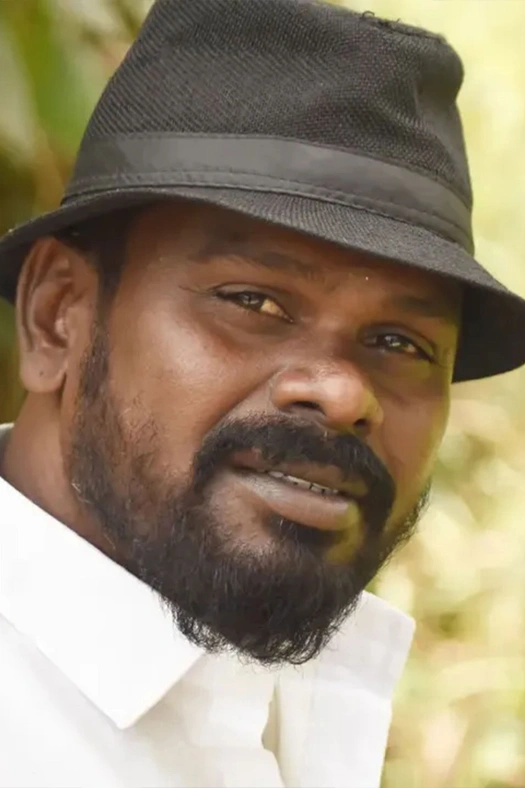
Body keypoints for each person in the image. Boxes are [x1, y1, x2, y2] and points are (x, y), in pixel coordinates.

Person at [1, 1, 524, 786]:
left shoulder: (294, 709)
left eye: (399, 344)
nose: (342, 394)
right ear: (56, 317)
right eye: (253, 302)